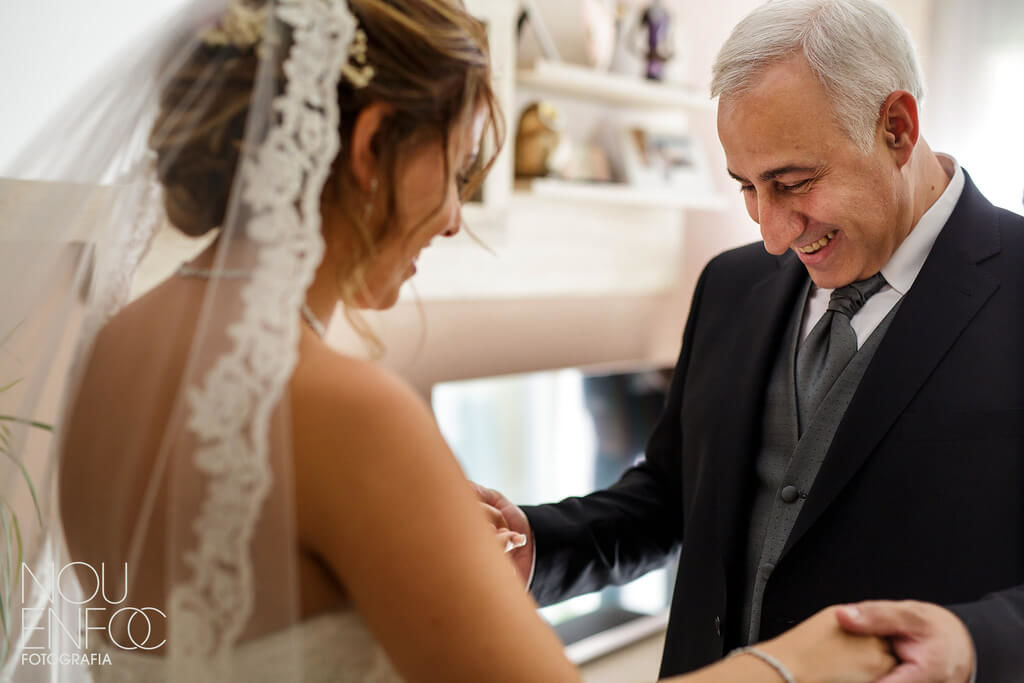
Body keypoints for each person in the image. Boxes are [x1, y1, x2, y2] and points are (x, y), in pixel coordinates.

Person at [2, 0, 894, 681]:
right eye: (459, 166)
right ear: (374, 143)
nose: (456, 217)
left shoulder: (118, 342)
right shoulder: (343, 412)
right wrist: (793, 664)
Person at [481, 0, 1024, 681]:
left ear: (897, 127)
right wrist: (541, 544)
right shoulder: (731, 285)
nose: (772, 234)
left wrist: (976, 643)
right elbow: (672, 495)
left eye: (792, 183)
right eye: (747, 187)